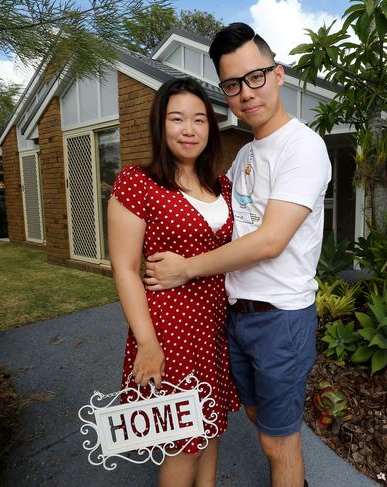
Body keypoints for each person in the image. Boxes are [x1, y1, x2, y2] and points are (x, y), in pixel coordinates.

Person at [144, 23, 332, 487]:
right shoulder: (246, 155)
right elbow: (217, 225)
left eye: (256, 77)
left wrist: (185, 269)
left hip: (280, 319)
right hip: (236, 317)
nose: (246, 93)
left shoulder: (304, 147)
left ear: (279, 75)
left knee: (278, 441)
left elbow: (269, 240)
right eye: (232, 85)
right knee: (253, 412)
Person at [108, 77, 240, 487]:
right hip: (171, 330)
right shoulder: (137, 183)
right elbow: (126, 268)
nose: (189, 129)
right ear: (160, 125)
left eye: (199, 119)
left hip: (215, 327)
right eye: (177, 118)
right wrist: (147, 343)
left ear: (210, 128)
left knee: (211, 426)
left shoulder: (224, 186)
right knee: (185, 441)